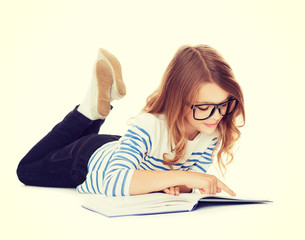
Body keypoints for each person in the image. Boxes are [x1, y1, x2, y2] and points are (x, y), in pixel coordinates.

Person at [16, 45, 245, 197]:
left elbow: (189, 184)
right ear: (177, 100)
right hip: (87, 160)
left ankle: (96, 108)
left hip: (122, 147)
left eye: (224, 104)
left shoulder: (210, 132)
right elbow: (113, 181)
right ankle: (88, 111)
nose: (217, 116)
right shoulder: (149, 125)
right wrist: (182, 177)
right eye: (204, 107)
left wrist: (179, 183)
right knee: (26, 170)